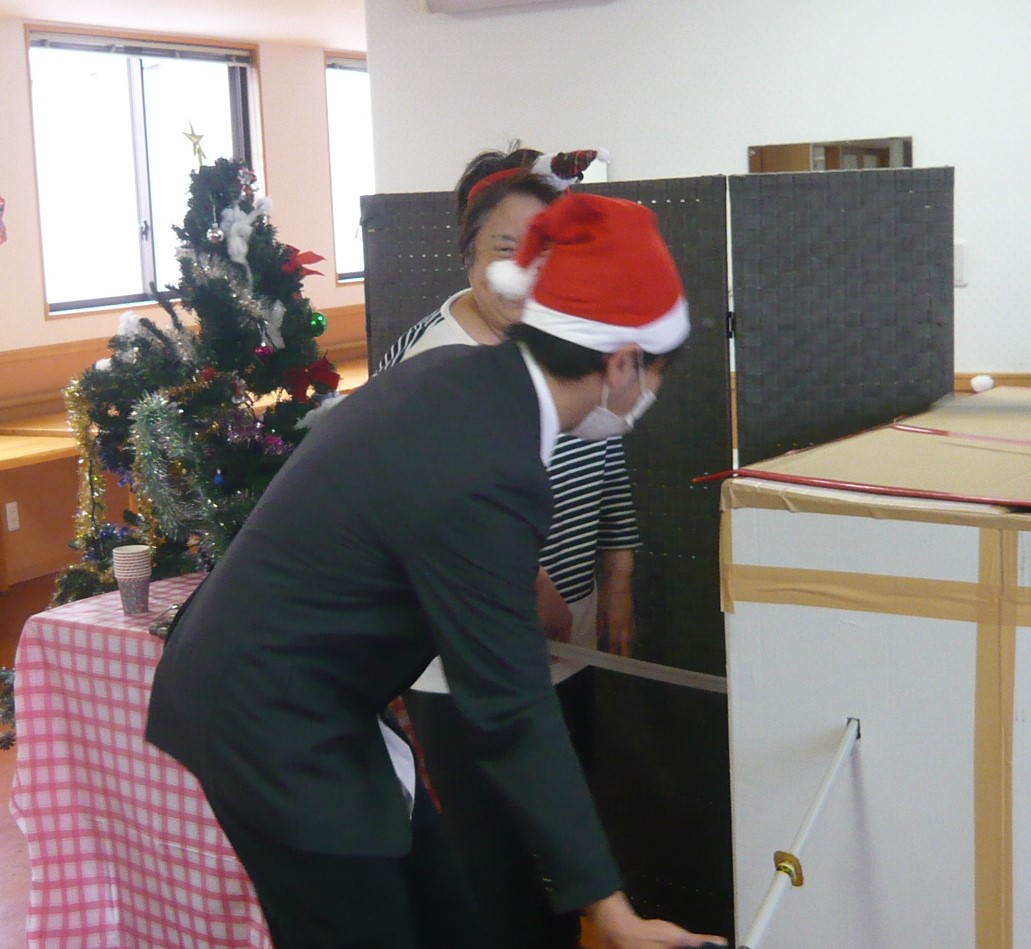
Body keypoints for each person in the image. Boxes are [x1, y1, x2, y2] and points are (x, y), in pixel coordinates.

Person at [145, 191, 726, 949]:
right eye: (654, 376)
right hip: (265, 711)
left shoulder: (463, 377)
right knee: (362, 924)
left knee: (445, 914)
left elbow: (432, 526)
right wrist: (613, 915)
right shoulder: (492, 462)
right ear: (621, 363)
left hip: (316, 688)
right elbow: (511, 707)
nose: (649, 395)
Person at [377, 145, 643, 948]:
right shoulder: (433, 359)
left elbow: (606, 450)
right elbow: (431, 511)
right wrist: (528, 584)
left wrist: (618, 573)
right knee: (496, 865)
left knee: (559, 849)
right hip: (469, 659)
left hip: (566, 640)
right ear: (468, 251)